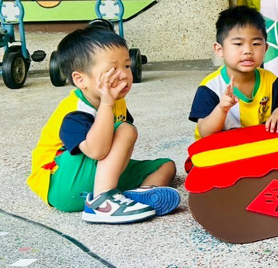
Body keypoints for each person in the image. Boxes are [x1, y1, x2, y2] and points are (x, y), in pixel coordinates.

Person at [27, 24, 178, 223]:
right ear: (80, 79)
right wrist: (106, 104)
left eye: (126, 66)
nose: (124, 74)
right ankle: (102, 202)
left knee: (165, 166)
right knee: (125, 129)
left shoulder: (118, 102)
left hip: (93, 176)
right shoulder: (75, 110)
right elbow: (97, 151)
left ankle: (139, 196)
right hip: (62, 183)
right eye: (112, 69)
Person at [190, 6, 278, 138]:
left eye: (256, 44)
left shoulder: (270, 80)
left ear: (265, 48)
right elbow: (205, 133)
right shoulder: (210, 87)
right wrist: (222, 109)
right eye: (238, 44)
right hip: (227, 143)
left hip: (259, 139)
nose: (248, 51)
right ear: (219, 50)